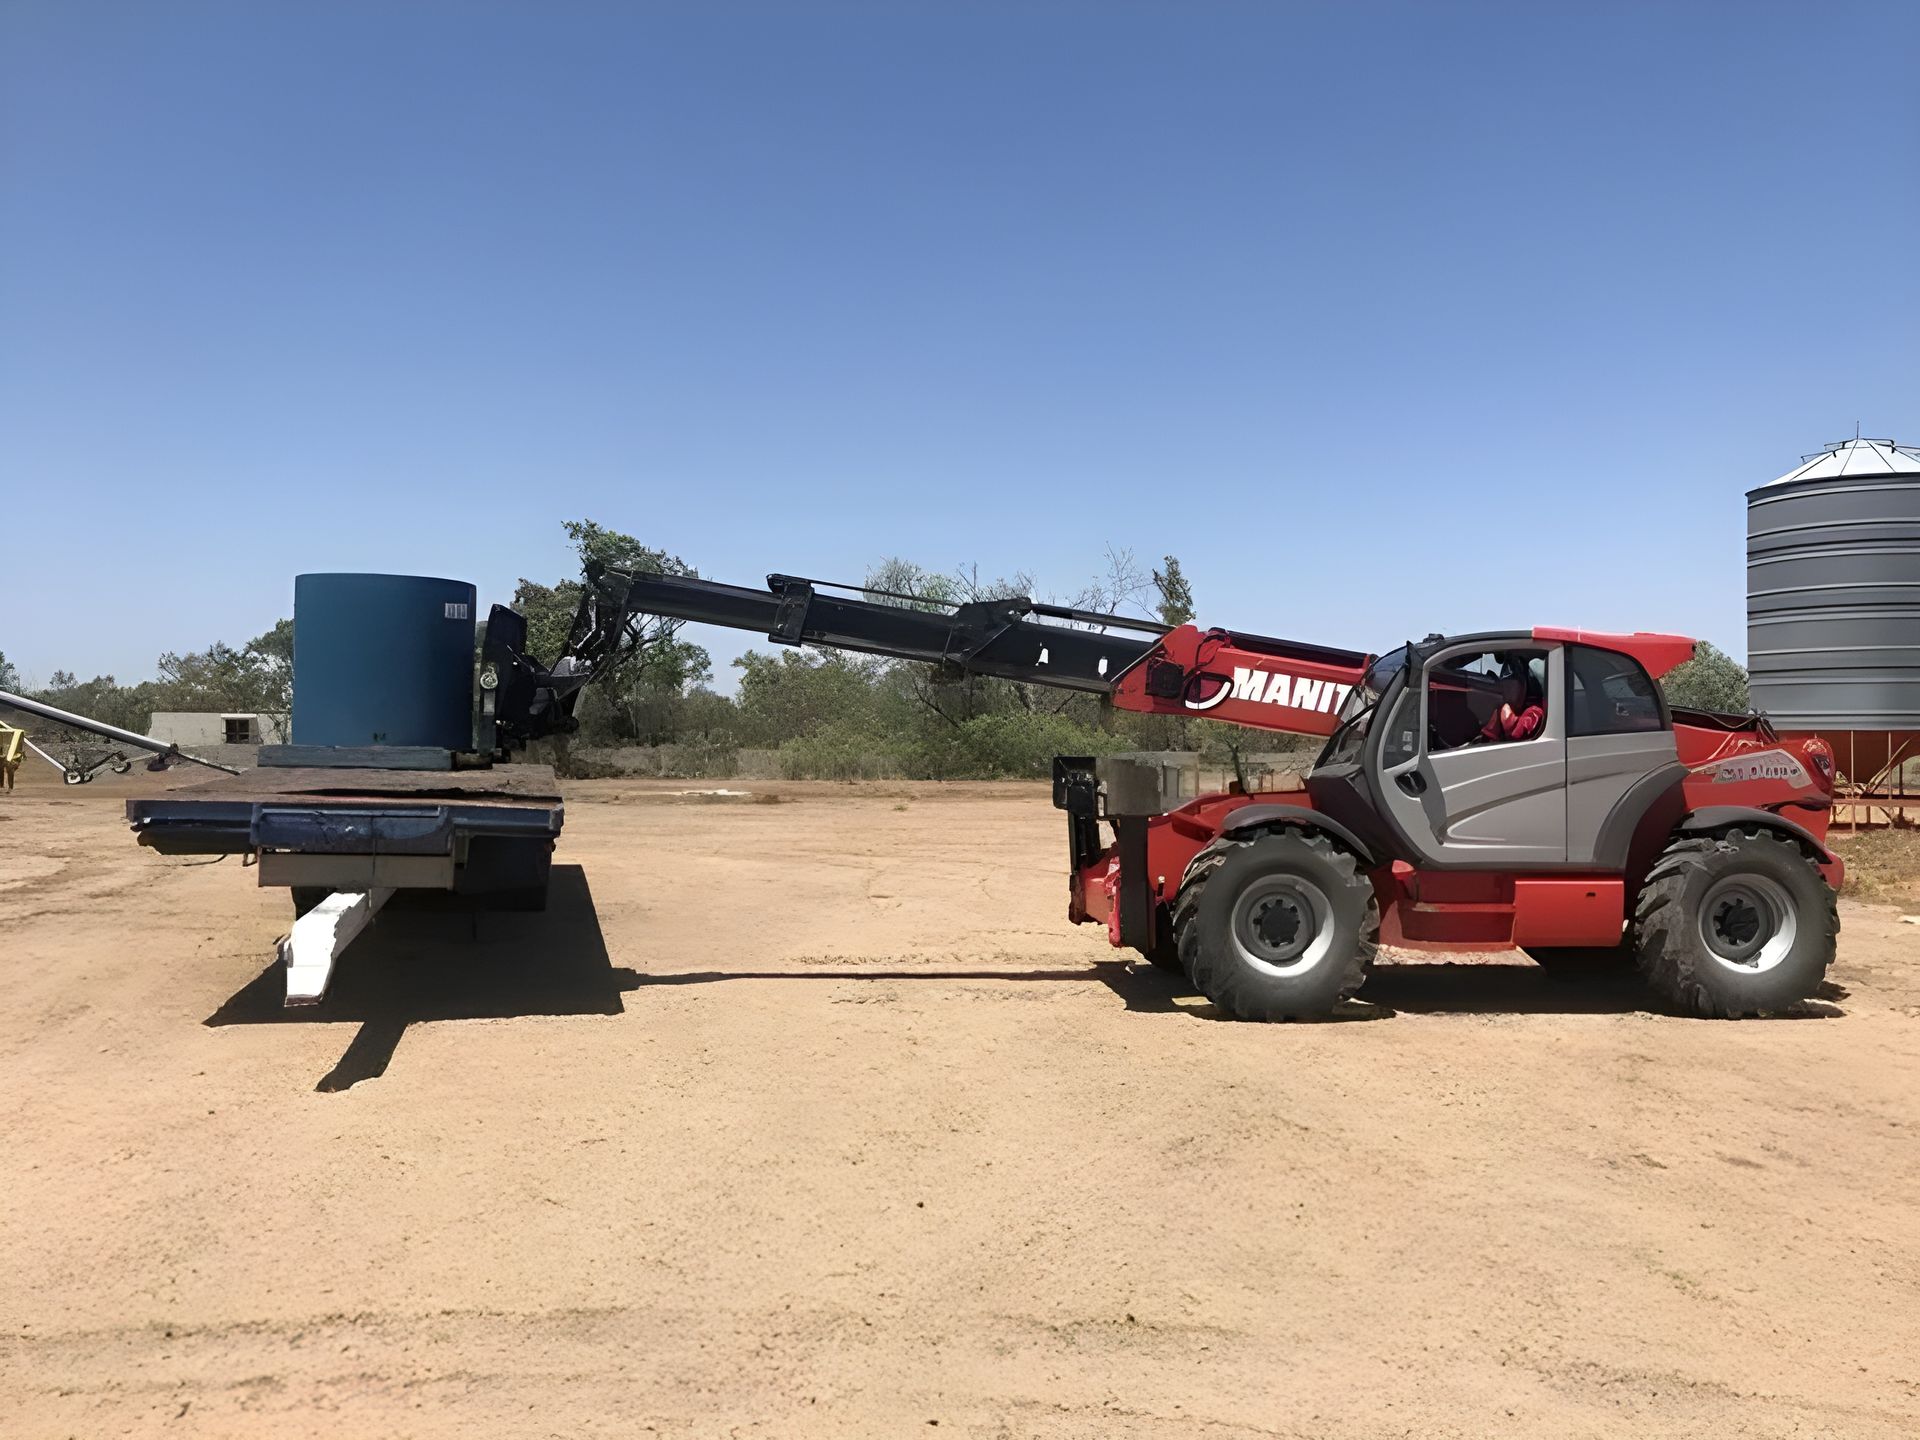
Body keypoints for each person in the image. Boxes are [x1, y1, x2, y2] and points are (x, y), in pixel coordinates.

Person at [1473, 671, 1545, 744]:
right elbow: (1488, 736)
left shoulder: (1536, 712)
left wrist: (1508, 719)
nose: (1506, 692)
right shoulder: (1499, 710)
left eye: (1510, 687)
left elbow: (1518, 737)